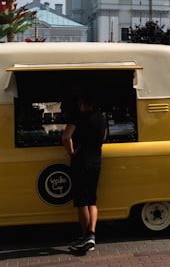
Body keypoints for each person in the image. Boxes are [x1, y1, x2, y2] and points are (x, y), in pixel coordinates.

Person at [62, 91, 107, 254]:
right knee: (92, 200)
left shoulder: (77, 117)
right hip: (96, 161)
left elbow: (66, 137)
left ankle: (84, 237)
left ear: (81, 103)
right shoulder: (101, 118)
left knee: (82, 202)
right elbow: (103, 137)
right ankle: (92, 235)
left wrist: (71, 152)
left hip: (81, 161)